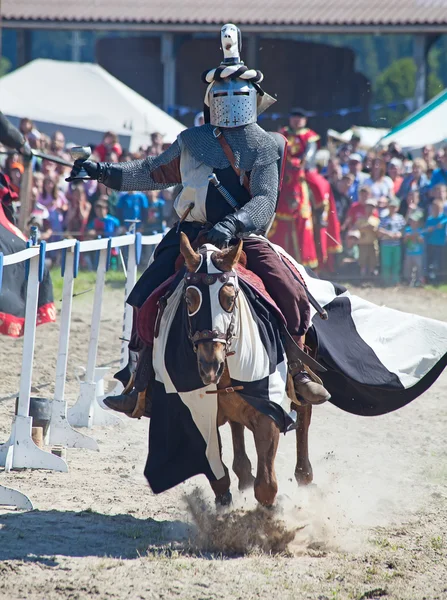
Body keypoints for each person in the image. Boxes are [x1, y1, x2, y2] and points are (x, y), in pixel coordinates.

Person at [68, 23, 331, 412]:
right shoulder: (192, 142)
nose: (230, 101)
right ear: (210, 98)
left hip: (242, 239)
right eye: (222, 94)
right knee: (144, 298)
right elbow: (149, 172)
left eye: (238, 94)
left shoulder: (266, 145)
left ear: (253, 99)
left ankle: (297, 370)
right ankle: (139, 380)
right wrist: (102, 171)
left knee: (289, 293)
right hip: (190, 235)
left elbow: (263, 200)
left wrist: (233, 225)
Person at [378, 197, 406, 286]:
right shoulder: (384, 218)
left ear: (397, 208)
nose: (393, 208)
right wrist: (388, 233)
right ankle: (386, 282)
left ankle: (395, 281)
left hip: (396, 245)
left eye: (394, 207)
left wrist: (399, 234)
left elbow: (403, 230)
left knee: (396, 264)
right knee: (386, 264)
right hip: (386, 245)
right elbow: (379, 229)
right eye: (391, 206)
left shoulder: (400, 218)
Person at [423, 199, 447, 284]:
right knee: (431, 262)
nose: (436, 210)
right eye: (434, 208)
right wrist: (428, 230)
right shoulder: (430, 219)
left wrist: (441, 223)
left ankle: (440, 279)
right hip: (431, 244)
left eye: (438, 208)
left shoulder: (443, 218)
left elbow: (445, 220)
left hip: (441, 244)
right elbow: (425, 231)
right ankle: (430, 279)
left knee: (441, 262)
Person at [355, 198, 380, 278]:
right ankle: (362, 277)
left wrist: (374, 229)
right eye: (368, 207)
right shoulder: (360, 219)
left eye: (372, 207)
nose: (369, 209)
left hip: (372, 243)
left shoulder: (376, 220)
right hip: (363, 243)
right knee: (363, 261)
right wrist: (366, 227)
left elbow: (378, 232)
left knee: (373, 260)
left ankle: (371, 277)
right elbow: (356, 229)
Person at [403, 211, 425, 286]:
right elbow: (404, 241)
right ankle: (408, 281)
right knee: (408, 267)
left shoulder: (420, 230)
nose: (413, 222)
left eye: (414, 221)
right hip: (409, 253)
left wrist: (416, 236)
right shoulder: (407, 230)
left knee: (418, 267)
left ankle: (419, 281)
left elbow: (422, 241)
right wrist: (408, 237)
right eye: (411, 221)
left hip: (418, 253)